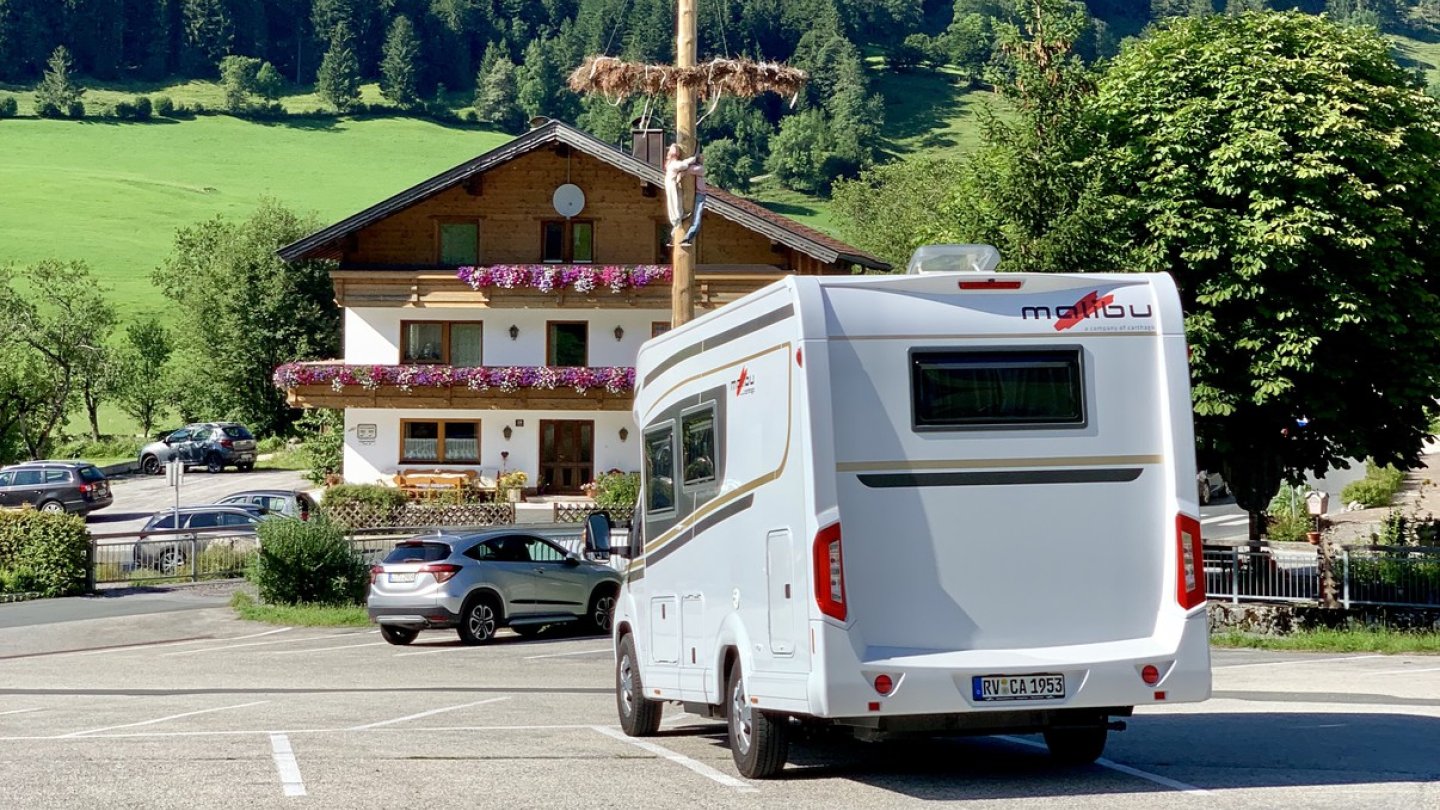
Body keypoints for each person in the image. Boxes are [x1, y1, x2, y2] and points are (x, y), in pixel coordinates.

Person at [663, 144, 706, 246]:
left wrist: (684, 171)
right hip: (673, 186)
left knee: (678, 202)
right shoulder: (673, 164)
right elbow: (684, 166)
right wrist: (693, 158)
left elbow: (686, 167)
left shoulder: (672, 164)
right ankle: (682, 237)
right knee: (676, 205)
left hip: (675, 186)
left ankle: (677, 234)